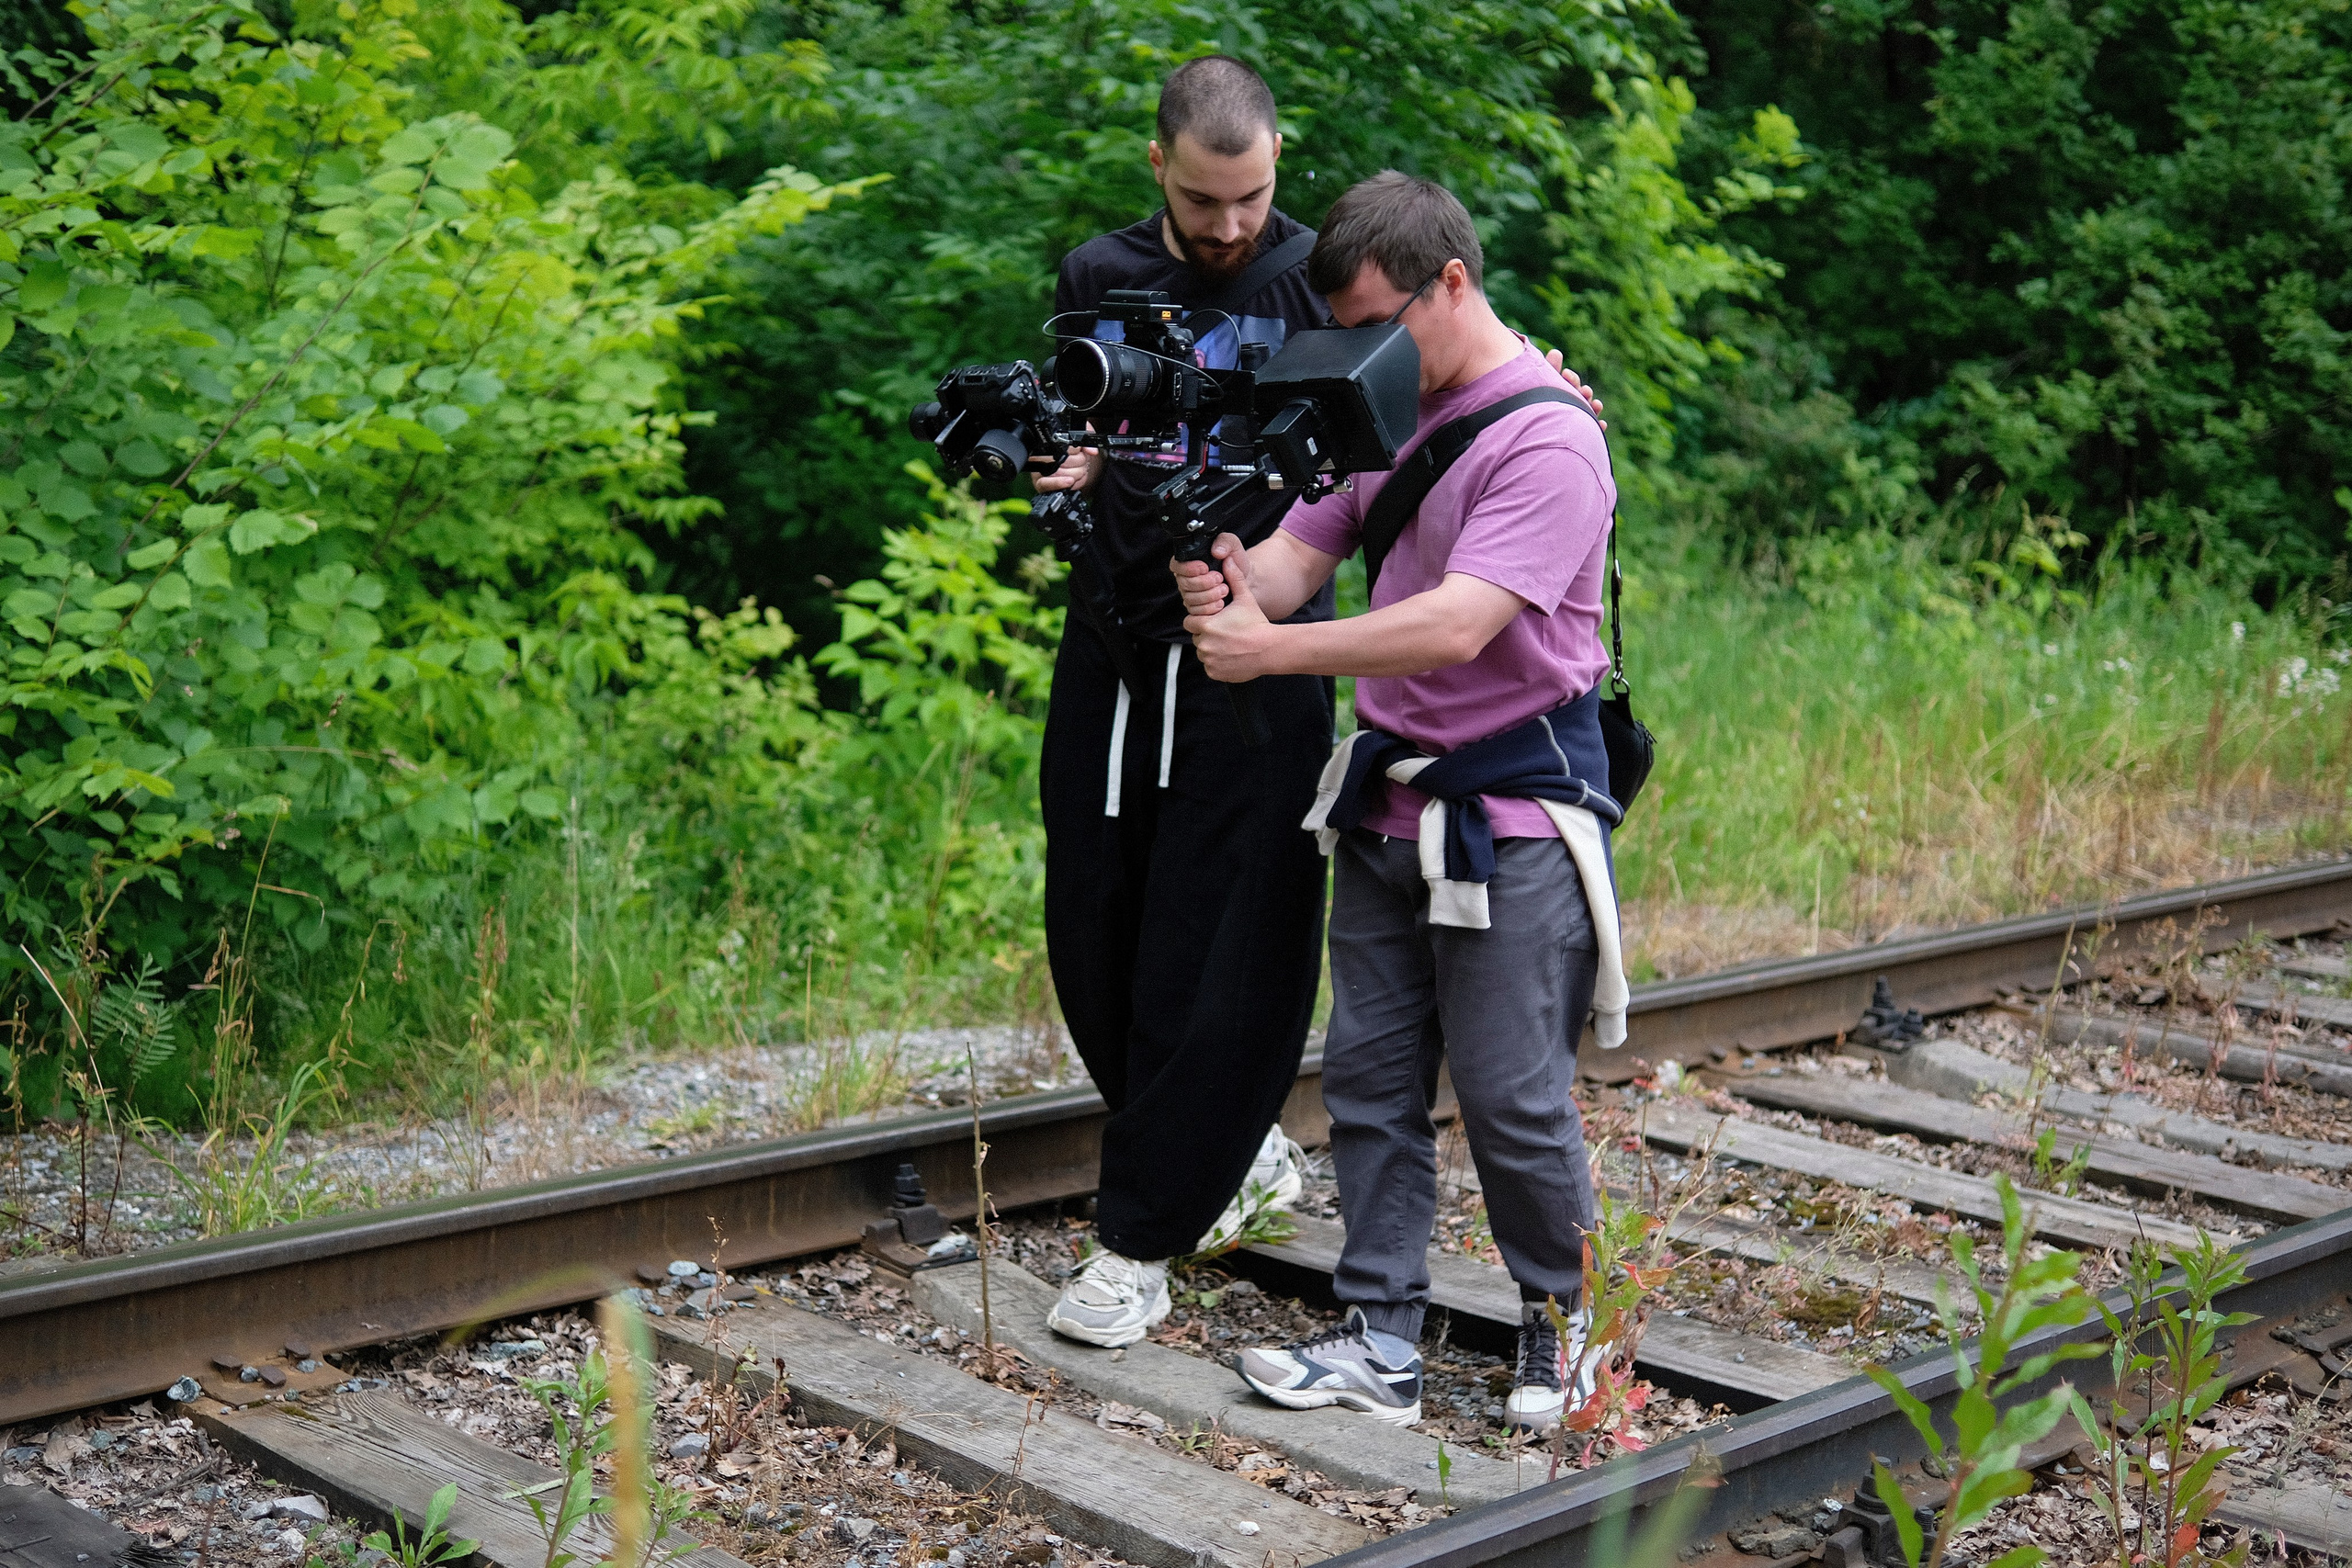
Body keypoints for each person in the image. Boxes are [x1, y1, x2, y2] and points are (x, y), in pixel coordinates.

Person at [1171, 171, 1626, 1433]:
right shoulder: (1389, 407)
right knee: (1369, 1085)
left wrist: (1274, 651)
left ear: (1453, 284)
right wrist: (1210, 552)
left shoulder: (1548, 437)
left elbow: (1457, 624)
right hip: (1384, 808)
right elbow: (1295, 561)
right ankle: (1380, 1340)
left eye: (1382, 320)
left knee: (1508, 1089)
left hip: (1514, 812)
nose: (1366, 350)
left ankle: (1567, 1320)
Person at [1029, 55, 1342, 1348]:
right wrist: (1057, 469)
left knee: (1216, 948)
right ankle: (1232, 1149)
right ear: (1159, 165)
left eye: (1253, 197)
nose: (1231, 228)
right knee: (1093, 930)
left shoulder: (1323, 276)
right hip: (1111, 644)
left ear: (1279, 161)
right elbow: (1073, 432)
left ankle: (1139, 1240)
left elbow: (1426, 402)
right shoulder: (1098, 277)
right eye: (1207, 202)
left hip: (1258, 659)